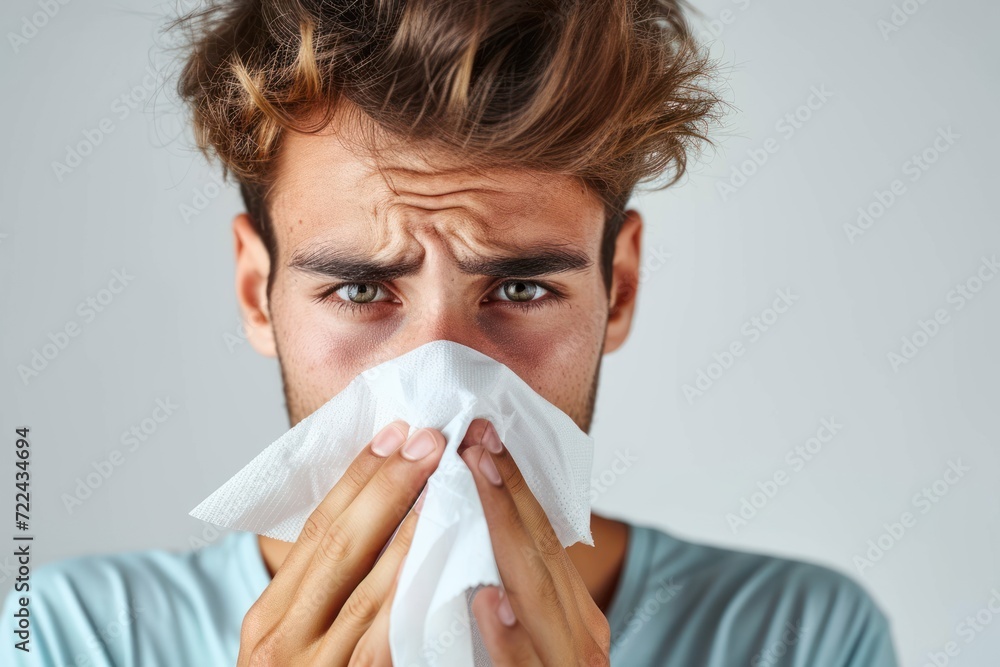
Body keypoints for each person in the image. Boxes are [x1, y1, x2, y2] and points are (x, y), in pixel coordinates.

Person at [1, 0, 899, 664]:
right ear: (256, 291)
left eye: (520, 287)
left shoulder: (799, 634)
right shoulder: (70, 637)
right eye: (361, 289)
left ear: (618, 288)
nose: (446, 382)